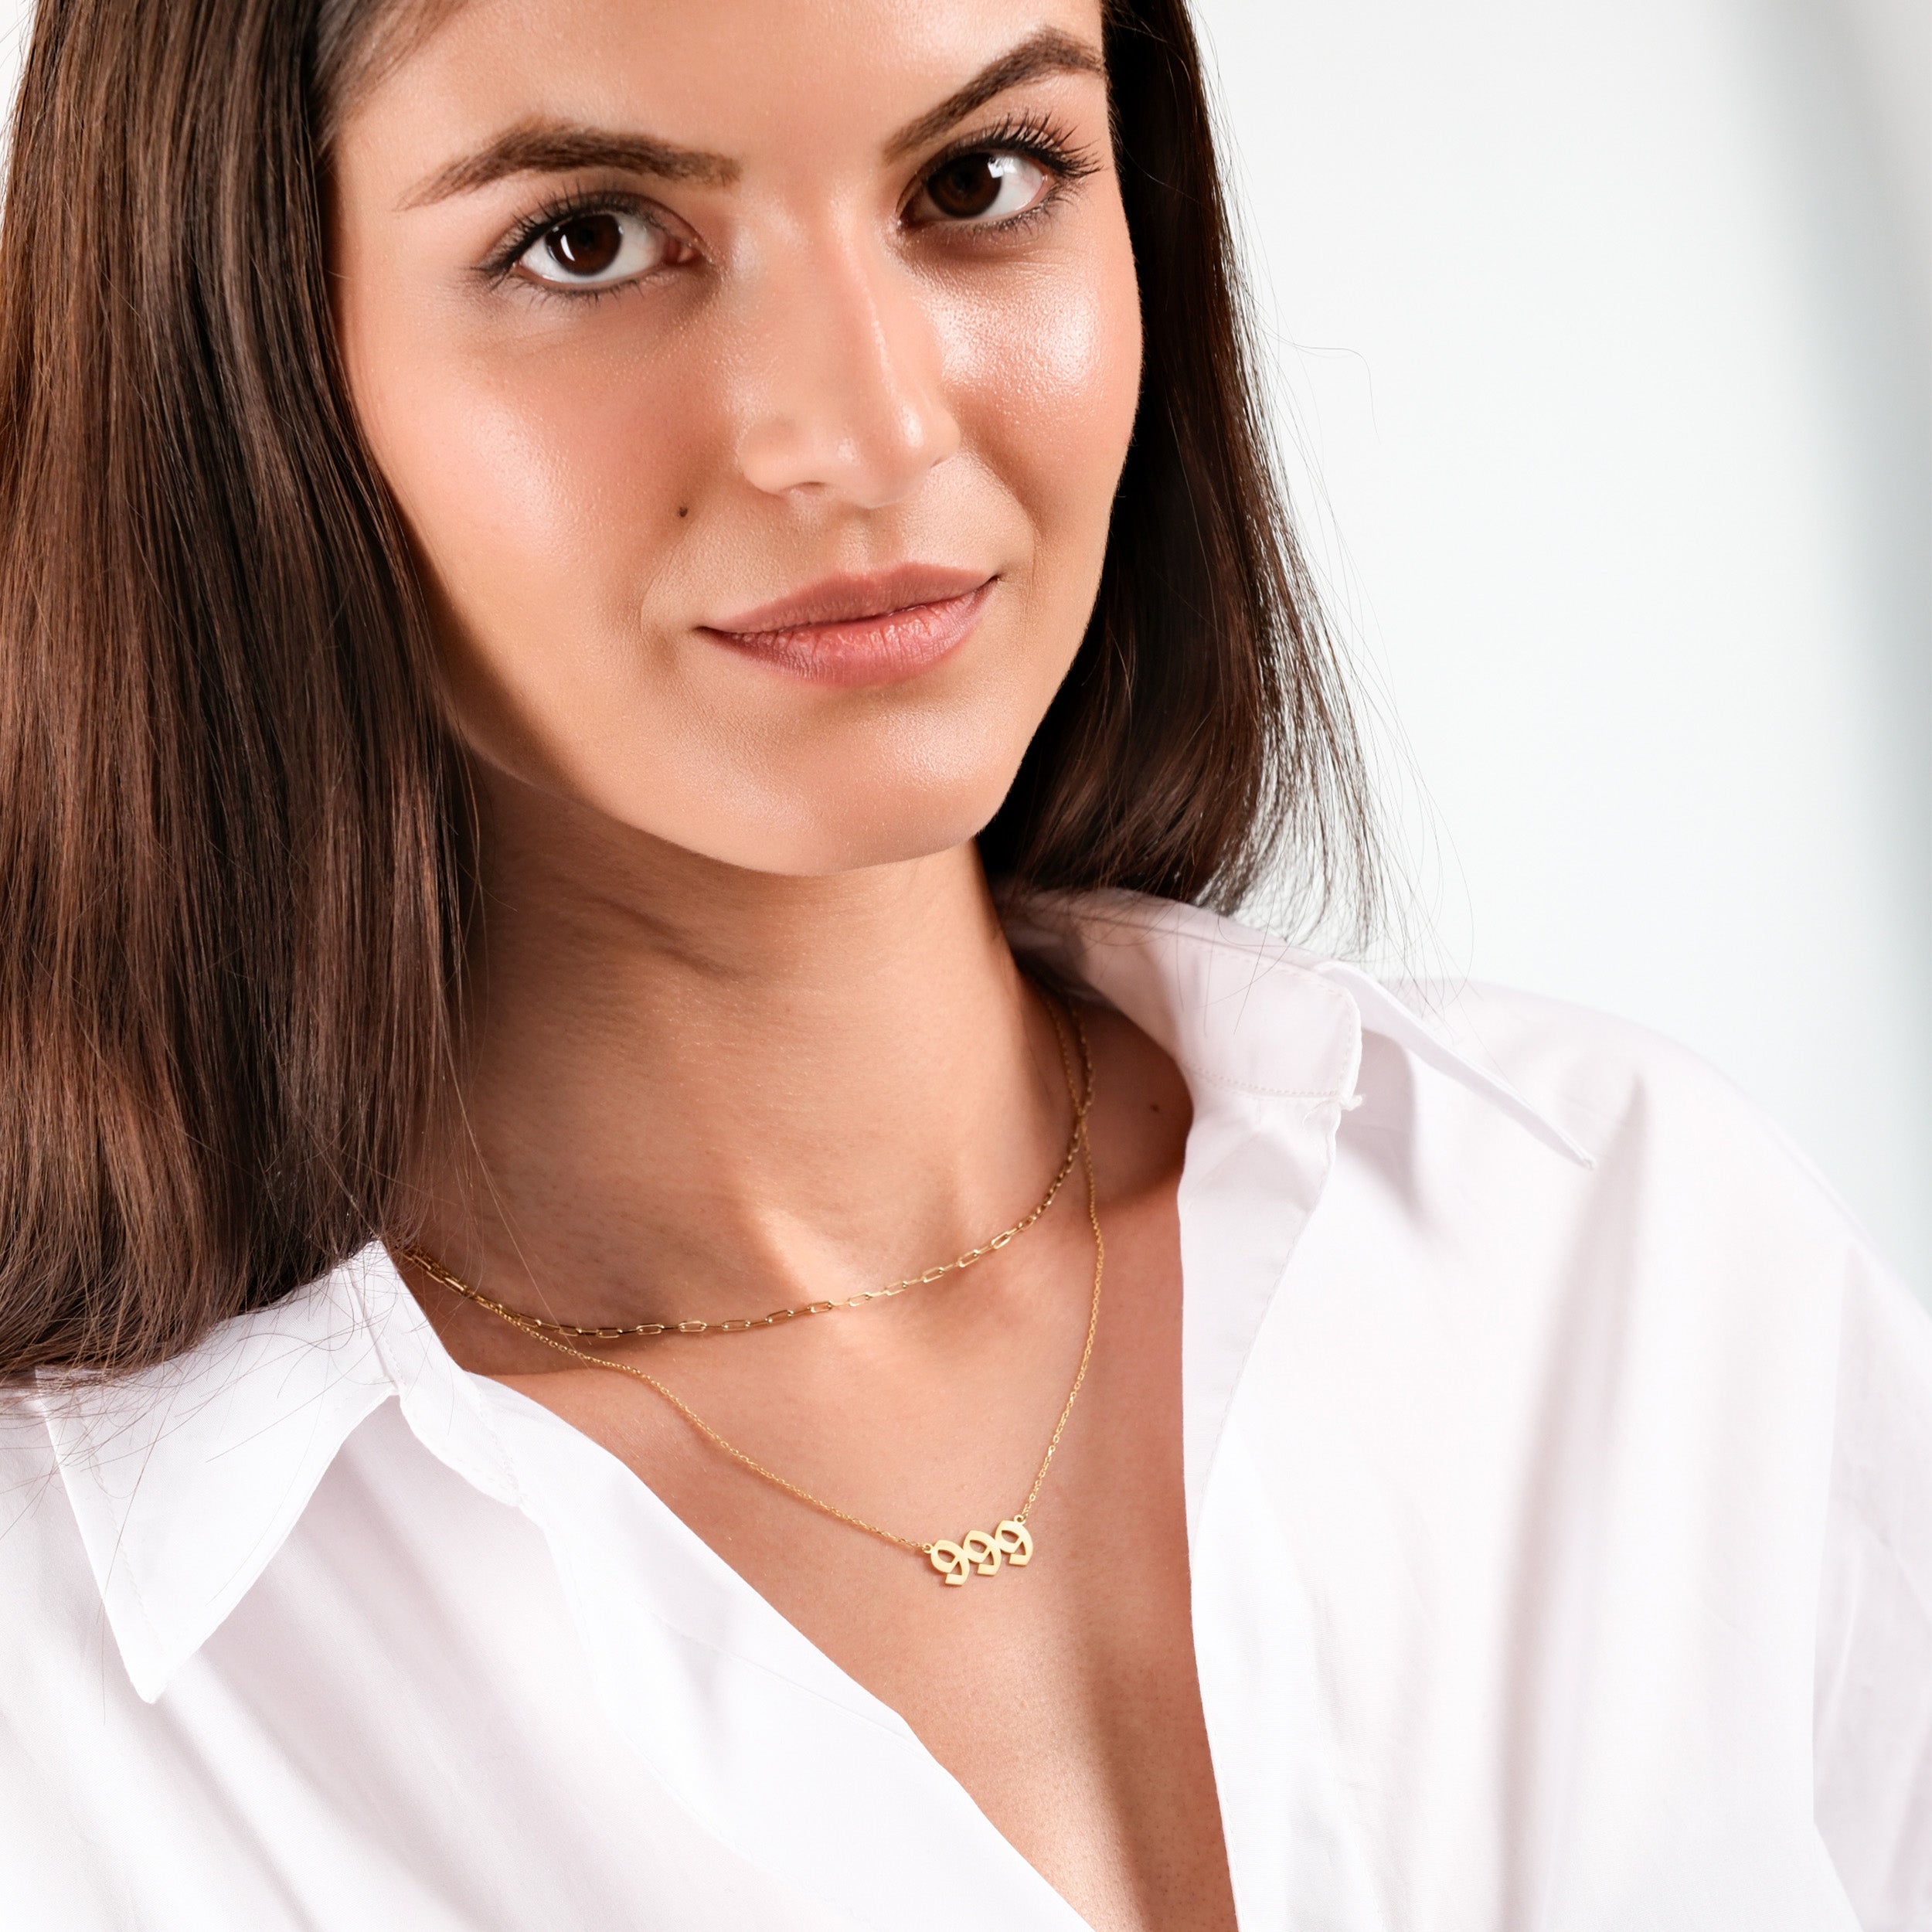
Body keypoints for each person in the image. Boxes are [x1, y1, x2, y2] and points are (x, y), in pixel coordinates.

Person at [0, 0, 1925, 1926]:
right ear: (227, 355)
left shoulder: (1646, 1267)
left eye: (976, 181)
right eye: (585, 238)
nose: (872, 428)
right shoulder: (61, 1693)